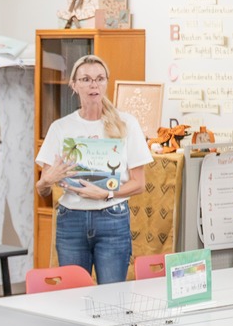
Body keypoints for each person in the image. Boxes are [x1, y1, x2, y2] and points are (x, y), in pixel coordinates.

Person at [35, 54, 153, 284]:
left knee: (112, 297)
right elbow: (42, 190)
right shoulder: (61, 128)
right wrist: (46, 181)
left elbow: (139, 184)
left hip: (112, 219)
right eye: (86, 79)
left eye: (99, 79)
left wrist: (107, 194)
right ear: (74, 84)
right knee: (73, 296)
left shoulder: (126, 123)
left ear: (106, 82)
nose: (93, 85)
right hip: (71, 221)